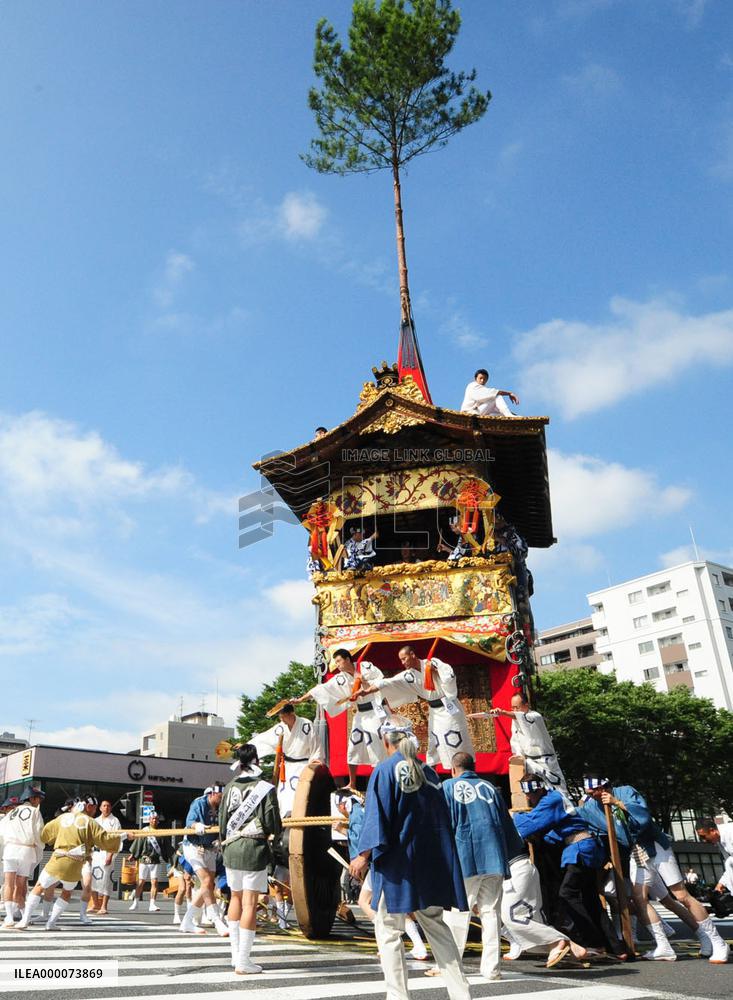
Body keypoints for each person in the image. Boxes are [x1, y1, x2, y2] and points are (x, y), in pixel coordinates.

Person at [350, 724, 471, 1000]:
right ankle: (461, 993)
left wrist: (363, 854)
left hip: (398, 864)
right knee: (437, 927)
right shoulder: (429, 772)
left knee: (390, 930)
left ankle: (398, 996)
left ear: (386, 741)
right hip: (430, 862)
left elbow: (379, 816)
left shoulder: (384, 770)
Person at [442, 752, 566, 979]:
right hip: (496, 858)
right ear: (474, 767)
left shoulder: (448, 787)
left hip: (466, 856)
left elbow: (443, 824)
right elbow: (507, 827)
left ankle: (451, 966)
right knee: (491, 914)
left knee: (460, 912)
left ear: (452, 769)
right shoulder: (490, 789)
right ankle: (491, 969)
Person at [513, 777, 626, 960]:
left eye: (531, 793)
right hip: (584, 848)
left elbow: (531, 823)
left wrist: (514, 816)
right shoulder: (553, 800)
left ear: (539, 790)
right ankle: (615, 947)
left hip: (579, 849)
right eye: (527, 794)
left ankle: (592, 942)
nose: (529, 798)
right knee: (590, 899)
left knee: (567, 893)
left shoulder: (551, 800)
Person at [293, 648, 403, 788]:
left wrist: (363, 681)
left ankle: (384, 781)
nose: (337, 664)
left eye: (339, 661)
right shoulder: (341, 678)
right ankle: (352, 783)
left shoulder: (366, 667)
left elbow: (381, 682)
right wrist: (301, 699)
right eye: (335, 662)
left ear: (347, 659)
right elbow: (321, 689)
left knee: (378, 749)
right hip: (361, 715)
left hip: (376, 711)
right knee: (353, 746)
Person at [219, 744, 281, 975]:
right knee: (250, 904)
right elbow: (272, 821)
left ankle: (235, 956)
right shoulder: (263, 787)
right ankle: (244, 960)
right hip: (253, 848)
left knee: (234, 898)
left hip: (232, 847)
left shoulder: (229, 786)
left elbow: (223, 821)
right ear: (255, 760)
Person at [16, 799, 123, 931]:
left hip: (59, 859)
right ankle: (51, 923)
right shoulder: (90, 822)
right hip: (76, 863)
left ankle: (25, 920)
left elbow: (44, 835)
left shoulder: (62, 818)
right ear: (88, 807)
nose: (95, 810)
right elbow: (104, 839)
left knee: (39, 886)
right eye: (94, 808)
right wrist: (123, 837)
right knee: (66, 893)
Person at [368, 645, 474, 769]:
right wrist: (367, 691)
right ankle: (431, 778)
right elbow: (389, 682)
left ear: (412, 655)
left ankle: (466, 774)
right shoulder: (409, 675)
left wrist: (437, 671)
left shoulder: (432, 662)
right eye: (401, 660)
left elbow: (448, 675)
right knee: (434, 744)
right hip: (435, 712)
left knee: (456, 740)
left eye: (404, 659)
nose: (403, 663)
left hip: (448, 709)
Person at [250, 703, 322, 814]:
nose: (282, 719)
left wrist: (314, 763)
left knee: (300, 796)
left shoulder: (306, 724)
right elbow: (264, 739)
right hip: (287, 768)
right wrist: (247, 747)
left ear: (291, 713)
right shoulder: (280, 728)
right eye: (280, 717)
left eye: (284, 716)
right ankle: (283, 820)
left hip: (303, 766)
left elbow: (316, 746)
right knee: (284, 797)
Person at [491, 692, 568, 796]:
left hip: (545, 760)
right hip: (529, 762)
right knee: (534, 792)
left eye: (517, 707)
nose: (514, 711)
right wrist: (518, 756)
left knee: (559, 793)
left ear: (526, 705)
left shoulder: (535, 716)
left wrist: (502, 712)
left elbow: (522, 717)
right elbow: (516, 741)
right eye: (512, 708)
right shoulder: (515, 721)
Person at [179, 784, 228, 936]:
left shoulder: (221, 807)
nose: (221, 800)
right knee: (207, 882)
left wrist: (221, 840)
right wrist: (196, 825)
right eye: (219, 797)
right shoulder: (199, 802)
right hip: (194, 847)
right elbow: (190, 821)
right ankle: (217, 920)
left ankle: (187, 921)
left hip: (210, 848)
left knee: (208, 885)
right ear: (212, 794)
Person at [0, 787, 45, 928]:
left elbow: (1, 831)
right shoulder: (35, 812)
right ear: (32, 798)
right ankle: (20, 914)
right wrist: (40, 846)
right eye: (38, 798)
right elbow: (39, 833)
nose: (39, 802)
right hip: (26, 849)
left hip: (10, 848)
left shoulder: (11, 812)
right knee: (20, 884)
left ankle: (9, 916)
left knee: (8, 883)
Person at [129, 812, 172, 912]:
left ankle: (152, 903)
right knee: (141, 882)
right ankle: (135, 902)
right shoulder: (145, 831)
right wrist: (133, 855)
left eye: (156, 819)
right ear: (149, 820)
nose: (154, 820)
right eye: (153, 818)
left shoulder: (161, 833)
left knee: (155, 882)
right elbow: (138, 844)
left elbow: (166, 847)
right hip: (144, 859)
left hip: (155, 860)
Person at [90, 799, 123, 915]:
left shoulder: (115, 821)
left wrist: (110, 855)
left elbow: (116, 839)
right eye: (104, 806)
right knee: (92, 878)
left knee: (106, 880)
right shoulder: (95, 821)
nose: (106, 808)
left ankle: (104, 906)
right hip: (95, 853)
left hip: (107, 852)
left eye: (108, 806)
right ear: (100, 808)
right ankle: (95, 904)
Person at [697, 818, 733, 894]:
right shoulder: (720, 841)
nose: (704, 840)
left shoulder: (730, 832)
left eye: (703, 836)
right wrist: (722, 883)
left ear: (712, 830)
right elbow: (730, 867)